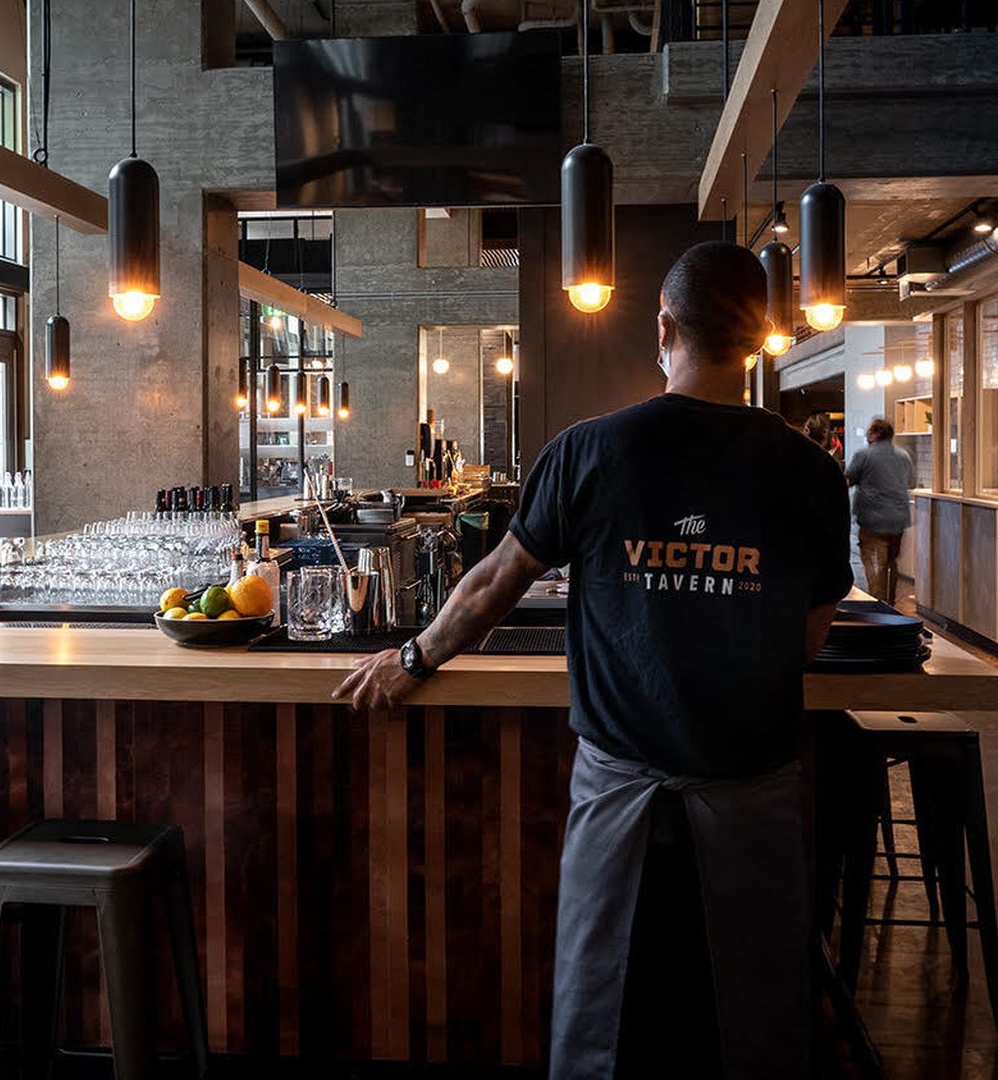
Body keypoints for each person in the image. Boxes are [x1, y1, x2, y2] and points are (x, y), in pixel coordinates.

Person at [333, 242, 851, 1079]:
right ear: (759, 339)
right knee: (755, 1028)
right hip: (752, 784)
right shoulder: (807, 469)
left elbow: (497, 581)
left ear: (662, 327)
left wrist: (412, 660)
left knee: (601, 1029)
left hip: (619, 787)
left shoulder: (591, 449)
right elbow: (810, 632)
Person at [844, 416, 916, 605]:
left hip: (872, 520)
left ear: (875, 434)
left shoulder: (863, 455)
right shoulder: (903, 456)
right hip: (898, 521)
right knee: (891, 563)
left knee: (873, 563)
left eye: (870, 431)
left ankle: (877, 603)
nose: (867, 435)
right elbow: (911, 482)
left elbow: (848, 480)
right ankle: (890, 603)